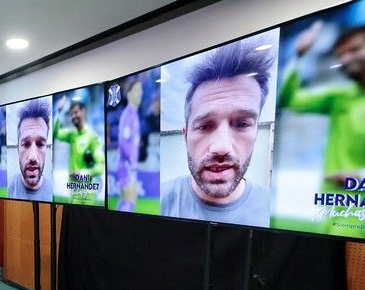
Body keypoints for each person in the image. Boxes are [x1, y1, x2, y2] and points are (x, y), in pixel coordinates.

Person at [160, 40, 274, 227]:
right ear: (185, 135)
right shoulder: (159, 200)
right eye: (204, 126)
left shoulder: (275, 212)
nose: (221, 147)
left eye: (242, 124)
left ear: (256, 132)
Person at [278, 23, 365, 237]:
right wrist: (299, 55)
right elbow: (291, 100)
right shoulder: (341, 96)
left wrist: (359, 177)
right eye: (341, 54)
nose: (345, 59)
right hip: (332, 217)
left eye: (354, 50)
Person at [54, 97, 105, 204]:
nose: (73, 116)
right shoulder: (72, 134)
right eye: (71, 114)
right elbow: (56, 134)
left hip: (87, 194)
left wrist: (82, 174)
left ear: (83, 111)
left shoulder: (92, 137)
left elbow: (100, 168)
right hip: (74, 191)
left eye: (76, 112)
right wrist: (58, 112)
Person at [8, 98, 53, 202]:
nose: (32, 157)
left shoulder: (54, 192)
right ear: (17, 149)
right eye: (26, 144)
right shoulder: (7, 188)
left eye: (40, 144)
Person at [116, 79, 143, 212]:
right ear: (129, 94)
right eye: (137, 90)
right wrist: (132, 159)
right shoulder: (128, 115)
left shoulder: (134, 114)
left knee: (127, 200)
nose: (140, 93)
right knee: (129, 200)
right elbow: (122, 141)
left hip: (127, 165)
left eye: (141, 90)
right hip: (126, 165)